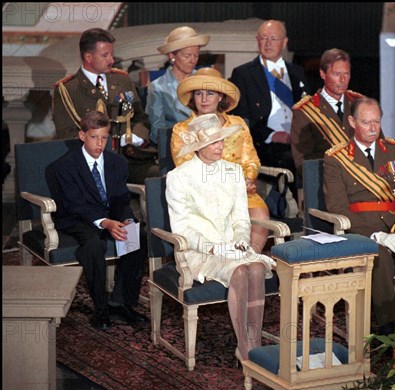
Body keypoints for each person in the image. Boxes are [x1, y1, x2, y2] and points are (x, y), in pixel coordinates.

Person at [166, 113, 276, 362]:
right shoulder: (179, 177)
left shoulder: (234, 171)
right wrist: (214, 248)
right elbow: (181, 228)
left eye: (222, 141)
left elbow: (240, 217)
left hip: (233, 246)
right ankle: (245, 348)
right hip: (199, 251)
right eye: (214, 142)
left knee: (256, 268)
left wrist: (240, 239)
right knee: (239, 272)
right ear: (199, 145)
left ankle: (254, 341)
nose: (220, 147)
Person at [323, 97, 395, 335]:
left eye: (377, 121)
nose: (373, 128)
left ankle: (393, 314)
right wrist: (376, 236)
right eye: (366, 122)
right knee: (383, 258)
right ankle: (388, 330)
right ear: (353, 122)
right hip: (362, 231)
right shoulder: (336, 159)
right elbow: (338, 208)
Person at [49, 110, 148, 330]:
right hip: (78, 219)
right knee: (94, 246)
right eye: (94, 137)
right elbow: (74, 204)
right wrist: (105, 222)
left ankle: (121, 303)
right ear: (82, 136)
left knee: (135, 235)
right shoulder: (64, 166)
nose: (100, 143)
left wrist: (125, 219)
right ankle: (101, 308)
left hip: (111, 216)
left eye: (104, 137)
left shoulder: (117, 162)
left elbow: (121, 199)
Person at [171, 67, 270, 253]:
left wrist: (247, 179)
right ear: (193, 98)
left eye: (210, 93)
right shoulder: (182, 130)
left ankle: (248, 258)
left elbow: (252, 160)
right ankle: (223, 264)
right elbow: (185, 168)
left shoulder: (238, 123)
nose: (204, 99)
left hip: (243, 190)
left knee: (261, 216)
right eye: (198, 93)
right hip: (203, 192)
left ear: (221, 97)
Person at [52, 28, 158, 184]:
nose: (111, 60)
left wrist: (135, 135)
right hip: (94, 163)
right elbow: (66, 134)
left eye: (111, 54)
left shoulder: (122, 80)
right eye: (105, 55)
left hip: (131, 159)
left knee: (165, 178)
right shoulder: (68, 89)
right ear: (88, 57)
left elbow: (140, 118)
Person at [229, 19, 311, 180]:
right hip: (264, 147)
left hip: (297, 145)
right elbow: (240, 118)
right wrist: (271, 135)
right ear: (257, 41)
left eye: (273, 38)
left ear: (284, 42)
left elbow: (307, 111)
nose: (268, 43)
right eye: (263, 38)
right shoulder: (243, 74)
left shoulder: (297, 72)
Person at [291, 48, 365, 186]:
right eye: (337, 74)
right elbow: (303, 163)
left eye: (346, 74)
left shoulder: (360, 104)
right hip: (326, 185)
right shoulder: (304, 111)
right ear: (322, 74)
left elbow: (378, 146)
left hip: (363, 181)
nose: (342, 80)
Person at [146, 26, 210, 145]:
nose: (193, 61)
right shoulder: (158, 87)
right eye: (187, 56)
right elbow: (157, 132)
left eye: (196, 55)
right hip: (176, 150)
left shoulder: (205, 80)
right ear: (172, 56)